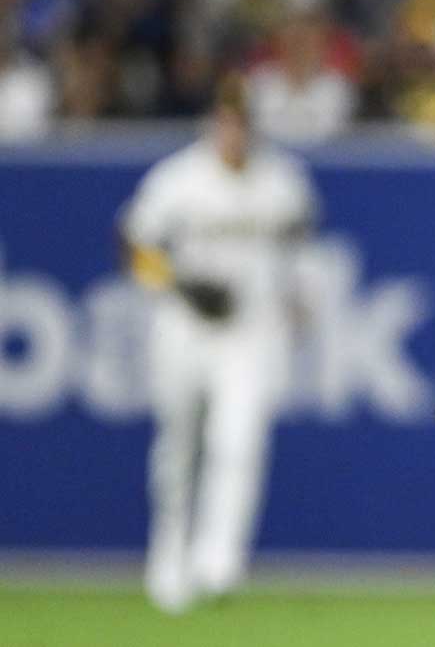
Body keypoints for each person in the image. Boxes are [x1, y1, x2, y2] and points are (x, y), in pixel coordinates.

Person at [120, 75, 319, 613]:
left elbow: (300, 250)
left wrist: (299, 301)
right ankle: (168, 560)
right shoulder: (179, 179)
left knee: (241, 443)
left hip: (252, 332)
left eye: (241, 124)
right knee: (178, 447)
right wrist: (179, 284)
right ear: (213, 126)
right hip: (185, 327)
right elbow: (135, 245)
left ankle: (220, 561)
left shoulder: (282, 181)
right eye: (225, 123)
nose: (233, 134)